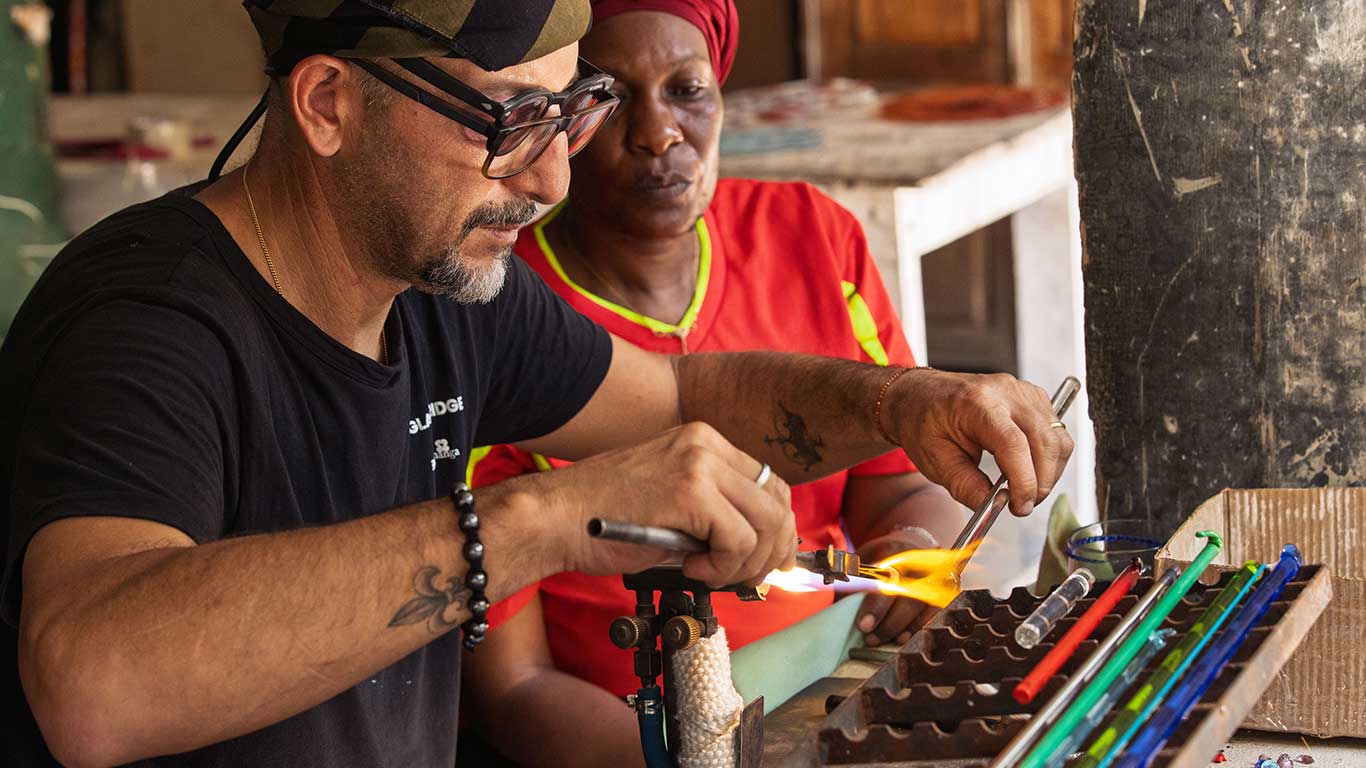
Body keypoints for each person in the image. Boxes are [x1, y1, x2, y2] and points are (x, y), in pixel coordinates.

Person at [0, 1, 1072, 766]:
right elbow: (94, 684)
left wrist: (902, 404)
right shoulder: (147, 323)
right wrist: (535, 521)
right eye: (508, 121)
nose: (551, 176)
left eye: (570, 115)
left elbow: (683, 395)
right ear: (327, 104)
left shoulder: (438, 292)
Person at [460, 3, 976, 764]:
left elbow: (895, 486)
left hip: (844, 688)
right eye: (612, 98)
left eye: (688, 90)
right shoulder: (495, 319)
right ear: (558, 118)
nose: (659, 133)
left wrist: (915, 554)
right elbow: (514, 689)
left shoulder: (812, 237)